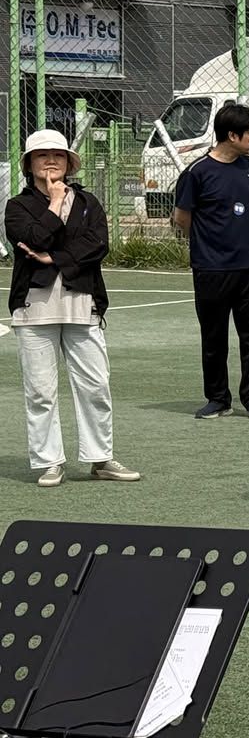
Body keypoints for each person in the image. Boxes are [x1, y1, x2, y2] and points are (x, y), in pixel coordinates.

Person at [6, 130, 136, 487]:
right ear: (29, 164)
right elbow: (33, 238)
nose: (51, 160)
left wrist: (55, 258)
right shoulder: (17, 206)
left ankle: (101, 458)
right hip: (34, 308)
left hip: (83, 304)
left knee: (96, 385)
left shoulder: (88, 202)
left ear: (69, 162)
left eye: (58, 155)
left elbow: (98, 244)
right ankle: (49, 462)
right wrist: (54, 203)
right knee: (40, 391)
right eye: (41, 155)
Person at [173, 101, 249, 420]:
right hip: (211, 268)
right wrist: (210, 244)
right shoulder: (197, 172)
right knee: (214, 335)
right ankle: (218, 399)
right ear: (232, 135)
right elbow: (182, 218)